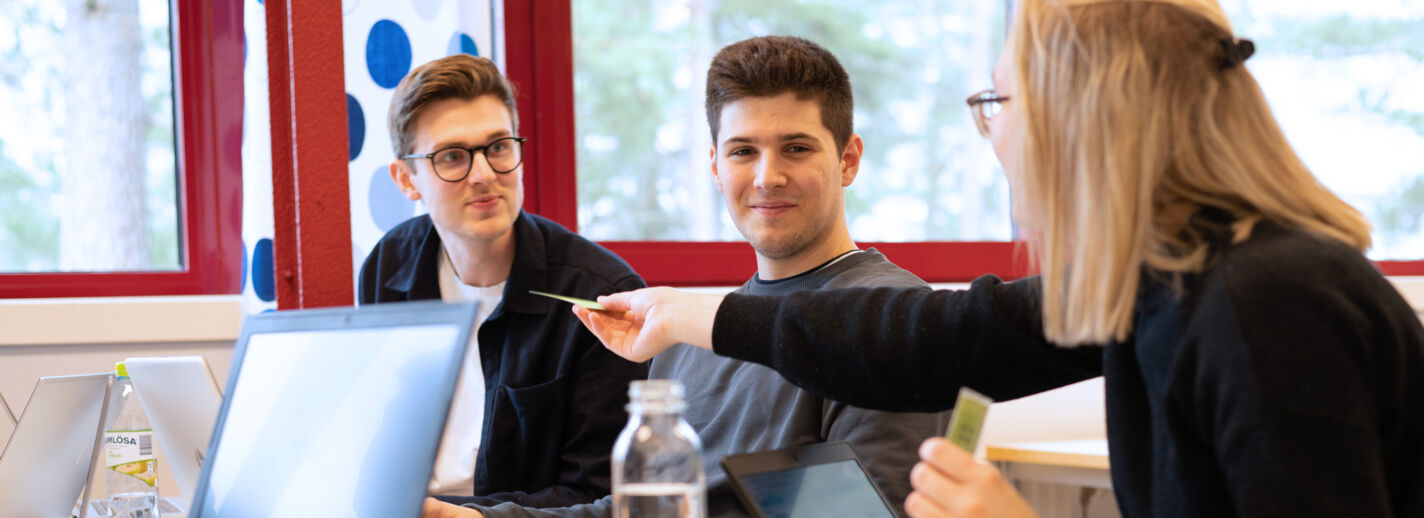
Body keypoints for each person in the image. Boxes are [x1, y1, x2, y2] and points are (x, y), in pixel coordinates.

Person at [572, 1, 1424, 517]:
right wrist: (683, 312)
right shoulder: (1158, 284)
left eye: (999, 102)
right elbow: (937, 336)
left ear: (1088, 119)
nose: (996, 137)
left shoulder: (1268, 307)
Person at [428, 36, 949, 518]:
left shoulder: (894, 319)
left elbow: (870, 511)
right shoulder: (690, 337)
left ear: (848, 160)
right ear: (716, 167)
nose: (768, 176)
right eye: (743, 150)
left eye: (796, 147)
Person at [357, 54, 649, 510]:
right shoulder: (386, 268)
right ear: (406, 179)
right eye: (451, 157)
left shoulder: (599, 292)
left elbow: (602, 497)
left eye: (498, 147)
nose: (484, 175)